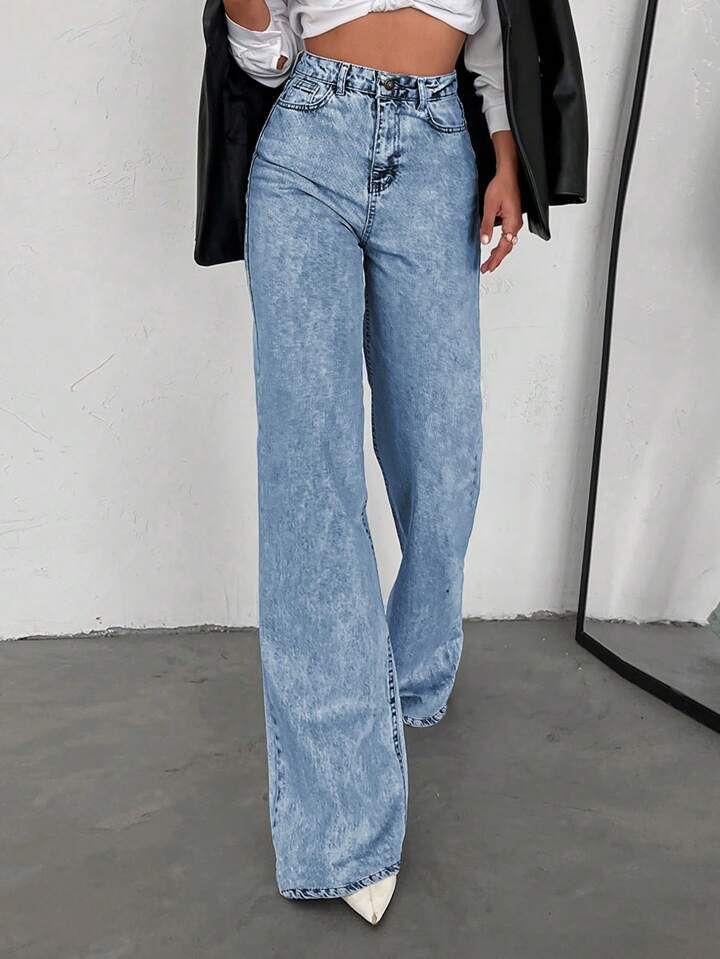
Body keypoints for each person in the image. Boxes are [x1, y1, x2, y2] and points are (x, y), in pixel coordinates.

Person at [195, 0, 588, 925]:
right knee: (311, 486)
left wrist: (504, 155)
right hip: (307, 147)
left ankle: (407, 673)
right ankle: (342, 826)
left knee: (444, 459)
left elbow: (496, 39)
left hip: (438, 149)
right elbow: (265, 57)